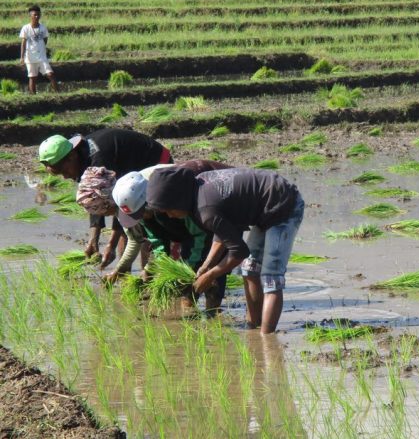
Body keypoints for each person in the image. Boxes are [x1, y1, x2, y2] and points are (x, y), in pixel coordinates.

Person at [146, 167, 305, 334]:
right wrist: (206, 266)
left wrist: (211, 275)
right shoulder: (198, 191)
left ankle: (265, 339)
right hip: (264, 206)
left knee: (271, 278)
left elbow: (239, 251)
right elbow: (222, 233)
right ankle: (253, 327)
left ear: (177, 199)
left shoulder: (205, 208)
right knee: (250, 268)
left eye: (169, 209)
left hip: (283, 203)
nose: (170, 215)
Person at [108, 160, 232, 315]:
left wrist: (187, 267)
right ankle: (191, 311)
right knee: (187, 286)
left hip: (215, 219)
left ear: (149, 202)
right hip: (190, 234)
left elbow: (200, 235)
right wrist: (162, 269)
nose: (141, 218)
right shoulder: (147, 215)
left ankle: (213, 312)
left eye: (142, 213)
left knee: (213, 269)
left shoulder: (176, 200)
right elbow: (158, 242)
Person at [38, 129, 171, 267]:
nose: (65, 177)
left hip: (155, 162)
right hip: (128, 172)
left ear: (71, 155)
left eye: (64, 171)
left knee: (146, 225)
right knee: (127, 223)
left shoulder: (99, 160)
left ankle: (148, 274)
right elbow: (95, 200)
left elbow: (121, 204)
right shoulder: (80, 158)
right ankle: (124, 272)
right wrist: (93, 240)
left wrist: (111, 245)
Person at [19, 5, 58, 94]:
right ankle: (33, 96)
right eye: (35, 15)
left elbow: (45, 39)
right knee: (32, 77)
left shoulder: (43, 28)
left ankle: (58, 93)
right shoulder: (26, 28)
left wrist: (41, 48)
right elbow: (23, 43)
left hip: (41, 57)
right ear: (30, 16)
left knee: (50, 74)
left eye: (38, 15)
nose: (37, 17)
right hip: (30, 57)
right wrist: (22, 57)